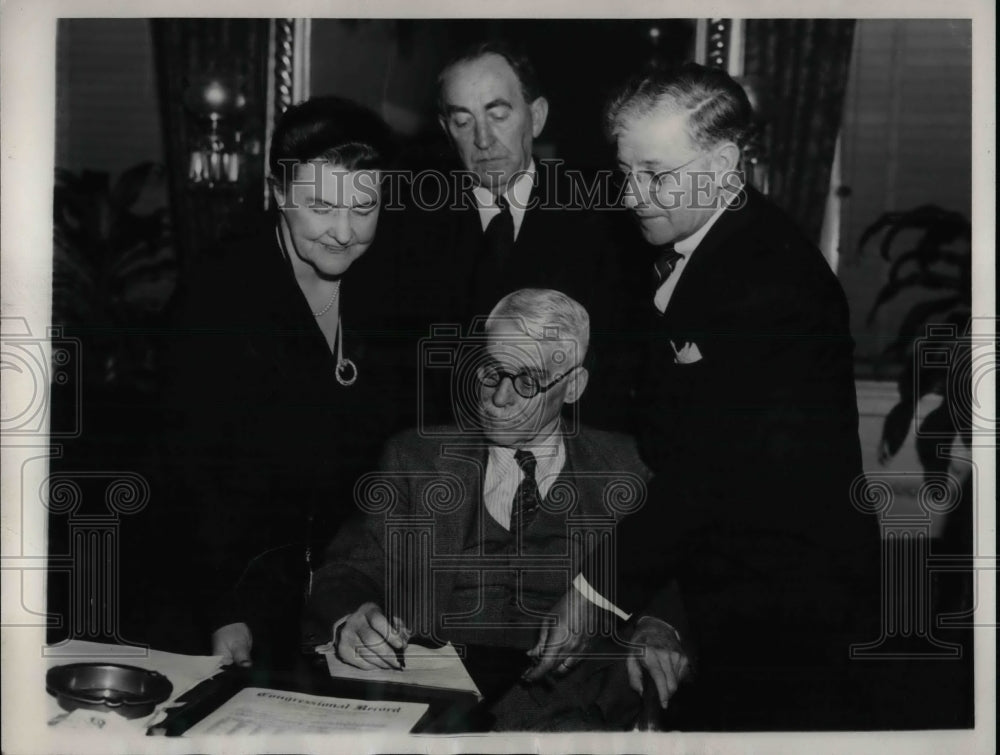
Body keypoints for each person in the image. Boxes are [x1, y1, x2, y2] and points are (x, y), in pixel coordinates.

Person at [529, 63, 881, 730]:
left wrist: (594, 589)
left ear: (723, 164)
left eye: (656, 175)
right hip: (726, 586)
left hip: (789, 610)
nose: (633, 195)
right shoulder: (700, 242)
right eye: (625, 172)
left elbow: (706, 473)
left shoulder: (770, 282)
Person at [302, 289, 689, 731]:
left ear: (574, 385)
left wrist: (660, 625)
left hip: (582, 717)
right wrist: (351, 616)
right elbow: (346, 572)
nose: (500, 399)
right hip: (443, 712)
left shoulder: (628, 468)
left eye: (527, 381)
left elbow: (675, 575)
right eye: (490, 373)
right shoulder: (415, 459)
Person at [154, 97, 408, 666]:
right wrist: (223, 610)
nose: (344, 232)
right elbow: (189, 473)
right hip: (229, 596)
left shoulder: (393, 286)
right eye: (320, 205)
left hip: (344, 597)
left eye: (364, 206)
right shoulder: (217, 294)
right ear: (278, 193)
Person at [402, 40, 645, 431]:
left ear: (536, 116)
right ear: (446, 130)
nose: (483, 139)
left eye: (498, 115)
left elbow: (616, 373)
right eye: (463, 122)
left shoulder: (603, 220)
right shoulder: (411, 227)